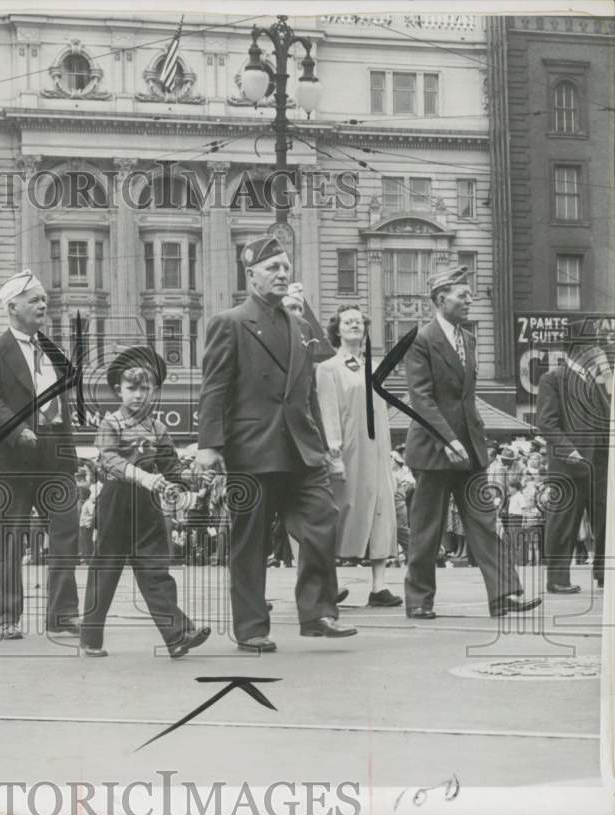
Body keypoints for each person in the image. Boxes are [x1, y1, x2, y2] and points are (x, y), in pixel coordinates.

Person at [195, 234, 356, 649]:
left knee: (322, 519)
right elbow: (214, 388)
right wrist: (209, 444)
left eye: (286, 267)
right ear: (251, 275)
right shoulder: (229, 322)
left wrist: (323, 447)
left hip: (300, 446)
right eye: (273, 268)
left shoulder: (301, 327)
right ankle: (251, 629)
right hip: (252, 448)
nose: (283, 274)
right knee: (251, 542)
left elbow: (305, 394)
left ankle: (318, 612)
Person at [402, 265, 539, 618]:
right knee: (427, 531)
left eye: (470, 294)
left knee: (483, 523)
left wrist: (474, 441)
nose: (469, 300)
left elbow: (466, 399)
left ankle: (504, 594)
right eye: (463, 295)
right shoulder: (419, 340)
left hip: (470, 452)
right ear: (440, 298)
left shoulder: (469, 338)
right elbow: (421, 398)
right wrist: (448, 439)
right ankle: (418, 601)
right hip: (434, 451)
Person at [80, 346, 211, 658]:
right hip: (116, 502)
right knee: (105, 570)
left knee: (155, 570)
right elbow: (108, 459)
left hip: (148, 505)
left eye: (145, 388)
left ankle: (177, 635)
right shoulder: (110, 423)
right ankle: (90, 637)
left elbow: (171, 469)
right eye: (132, 388)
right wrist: (143, 476)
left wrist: (192, 482)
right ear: (118, 391)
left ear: (153, 391)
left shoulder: (158, 428)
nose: (138, 395)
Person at [0, 270, 82, 640]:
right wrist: (19, 431)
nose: (42, 304)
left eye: (44, 299)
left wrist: (71, 454)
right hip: (11, 461)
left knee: (66, 533)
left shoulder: (52, 349)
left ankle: (63, 614)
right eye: (34, 299)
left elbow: (63, 405)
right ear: (12, 306)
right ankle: (7, 616)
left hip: (55, 459)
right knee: (8, 539)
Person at [316, 306, 402, 607]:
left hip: (377, 451)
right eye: (347, 320)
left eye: (359, 321)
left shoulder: (376, 366)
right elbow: (328, 412)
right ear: (336, 330)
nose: (354, 324)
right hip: (349, 451)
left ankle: (379, 587)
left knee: (382, 511)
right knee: (344, 511)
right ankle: (330, 583)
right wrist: (334, 452)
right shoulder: (328, 368)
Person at [537, 328, 611, 592]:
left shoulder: (599, 381)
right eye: (594, 346)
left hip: (600, 465)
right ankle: (557, 579)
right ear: (579, 349)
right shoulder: (553, 379)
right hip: (569, 465)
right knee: (563, 523)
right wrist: (569, 450)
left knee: (605, 521)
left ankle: (604, 571)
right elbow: (546, 423)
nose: (599, 352)